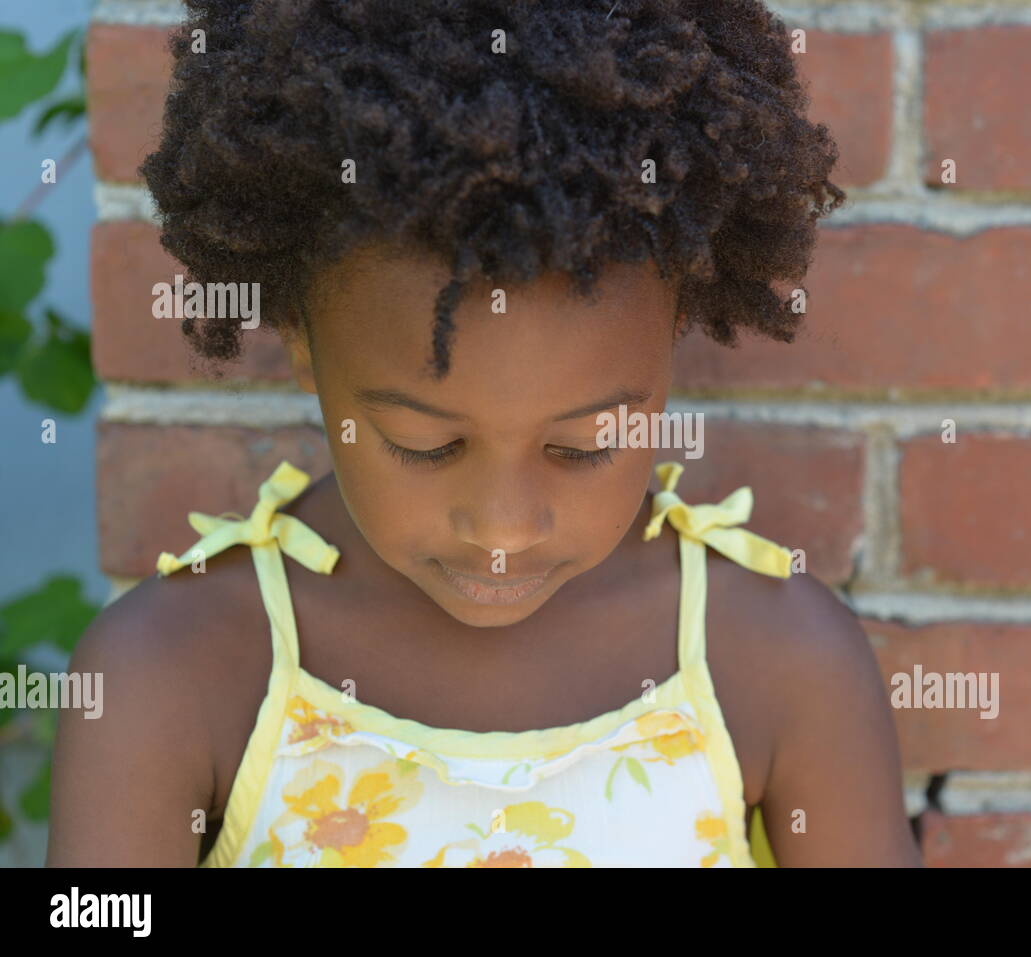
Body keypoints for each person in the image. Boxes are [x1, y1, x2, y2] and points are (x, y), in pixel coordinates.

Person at [47, 0, 918, 867]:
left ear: (677, 331)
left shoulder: (782, 663)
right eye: (424, 445)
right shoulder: (168, 674)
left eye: (582, 446)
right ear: (300, 342)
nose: (502, 529)